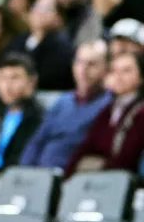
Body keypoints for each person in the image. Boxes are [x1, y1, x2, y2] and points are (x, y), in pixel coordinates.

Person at [19, 40, 110, 169]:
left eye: (92, 64)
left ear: (105, 69)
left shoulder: (109, 104)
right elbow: (37, 141)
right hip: (40, 176)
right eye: (79, 62)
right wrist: (24, 171)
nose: (83, 70)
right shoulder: (62, 101)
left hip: (75, 177)